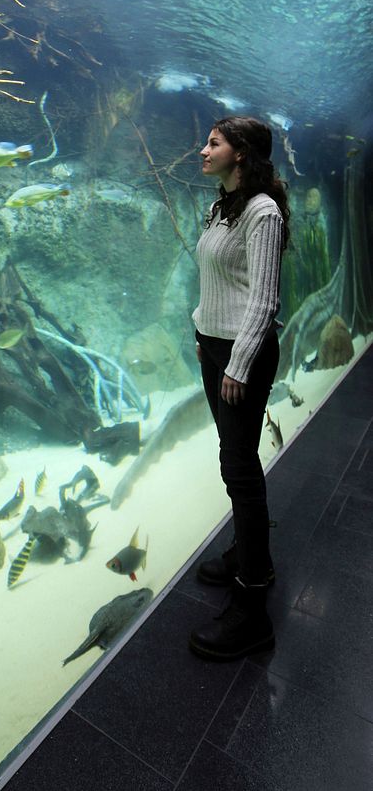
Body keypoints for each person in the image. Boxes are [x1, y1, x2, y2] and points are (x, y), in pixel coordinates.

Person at [189, 116, 290, 661]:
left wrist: (239, 365)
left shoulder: (263, 212)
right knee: (235, 459)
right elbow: (215, 278)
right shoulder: (221, 206)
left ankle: (252, 603)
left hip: (241, 357)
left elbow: (264, 299)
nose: (202, 150)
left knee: (241, 469)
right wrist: (199, 326)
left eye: (213, 143)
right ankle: (246, 553)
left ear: (242, 154)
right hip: (216, 349)